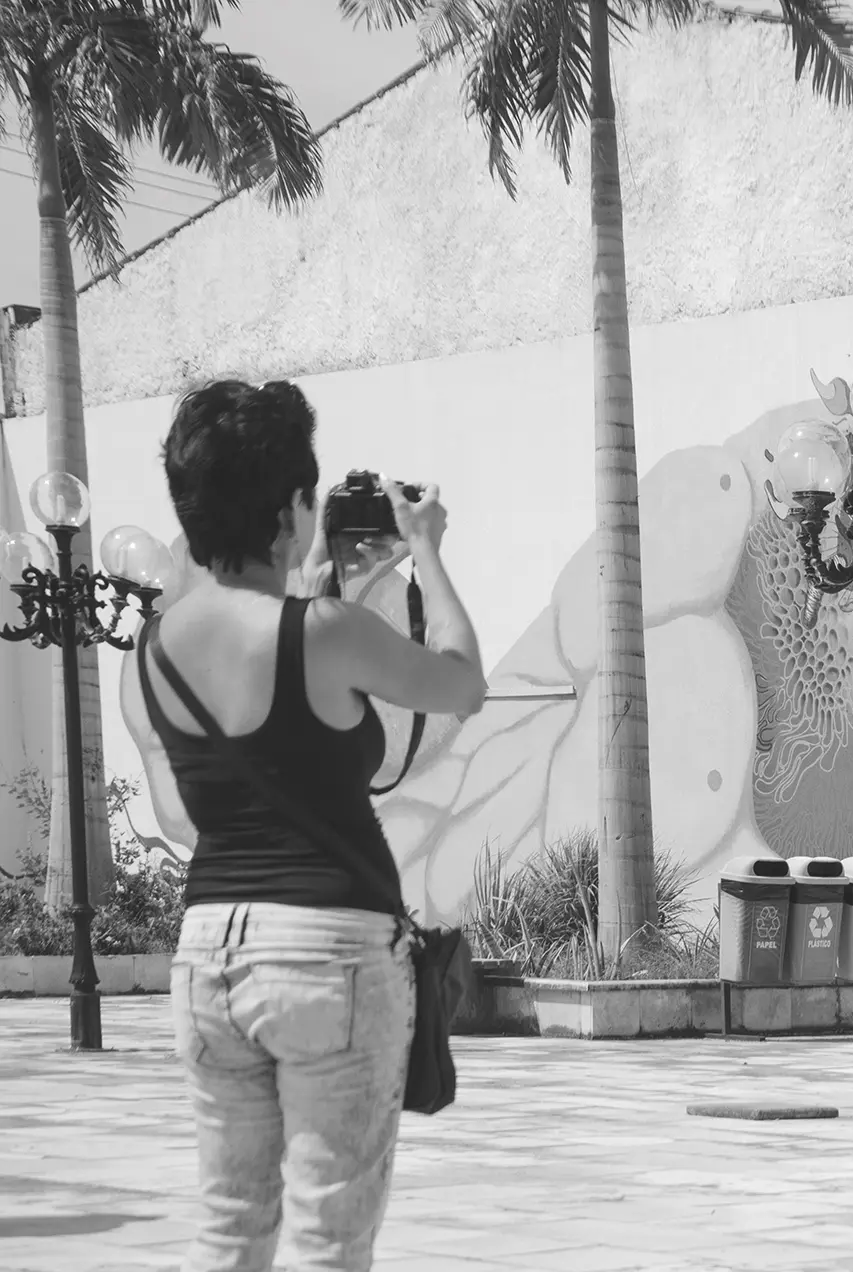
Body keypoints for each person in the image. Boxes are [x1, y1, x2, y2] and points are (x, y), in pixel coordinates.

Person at [129, 379, 487, 1272]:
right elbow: (460, 682)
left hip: (207, 953)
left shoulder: (153, 651)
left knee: (229, 1230)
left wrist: (307, 577)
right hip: (329, 953)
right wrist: (425, 550)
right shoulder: (323, 631)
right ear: (291, 507)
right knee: (330, 1237)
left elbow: (212, 792)